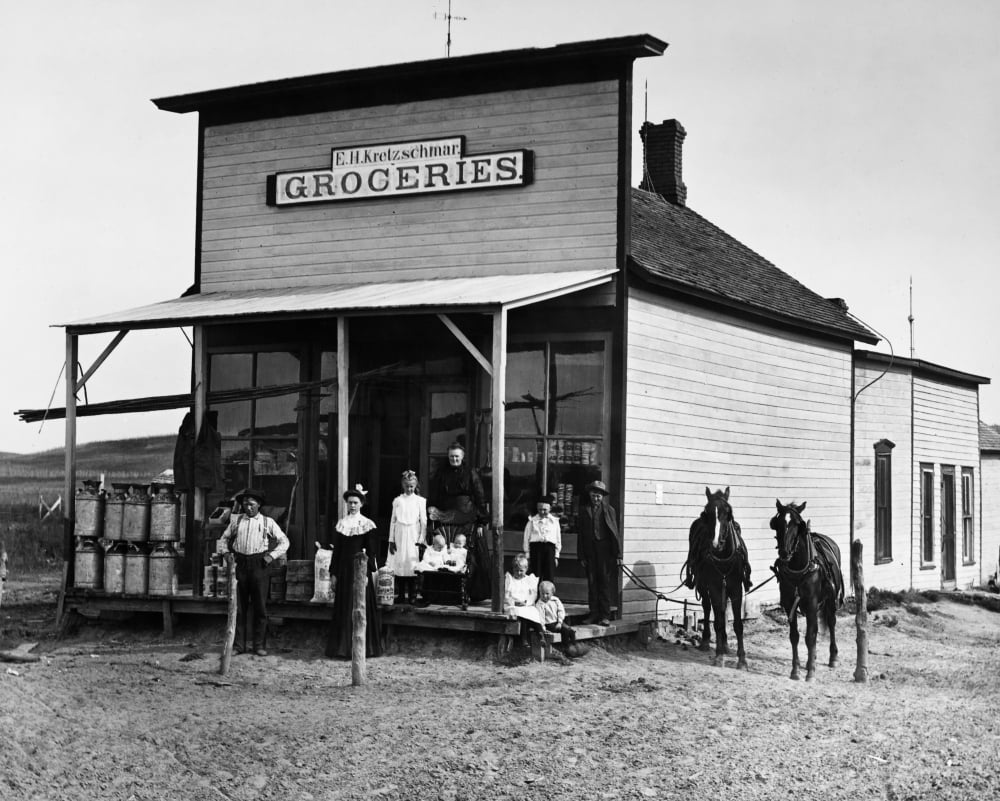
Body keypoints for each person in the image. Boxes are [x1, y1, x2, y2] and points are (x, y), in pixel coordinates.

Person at [217, 488, 289, 657]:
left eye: (251, 504)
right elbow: (223, 539)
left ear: (259, 505)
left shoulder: (267, 522)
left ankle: (259, 645)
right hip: (240, 564)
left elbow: (284, 542)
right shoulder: (236, 521)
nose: (247, 507)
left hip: (260, 565)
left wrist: (271, 556)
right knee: (238, 607)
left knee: (260, 608)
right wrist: (226, 553)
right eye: (244, 504)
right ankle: (239, 645)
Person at [427, 441, 491, 602]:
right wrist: (432, 510)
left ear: (462, 457)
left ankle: (471, 593)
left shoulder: (471, 473)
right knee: (443, 551)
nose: (454, 459)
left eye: (457, 457)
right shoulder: (441, 473)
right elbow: (434, 494)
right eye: (451, 457)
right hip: (446, 518)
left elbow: (480, 497)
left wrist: (481, 522)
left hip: (468, 518)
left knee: (470, 553)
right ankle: (444, 594)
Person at [325, 484, 384, 659]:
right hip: (344, 571)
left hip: (360, 570)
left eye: (355, 503)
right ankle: (343, 648)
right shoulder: (342, 524)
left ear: (361, 504)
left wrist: (367, 573)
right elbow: (337, 552)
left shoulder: (367, 524)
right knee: (345, 606)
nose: (352, 506)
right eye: (349, 503)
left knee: (360, 605)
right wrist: (334, 573)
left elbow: (371, 551)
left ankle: (364, 648)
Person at [576, 480, 621, 627]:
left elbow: (615, 533)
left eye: (599, 496)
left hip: (604, 552)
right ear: (590, 494)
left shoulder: (609, 510)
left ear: (602, 497)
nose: (596, 498)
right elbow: (581, 534)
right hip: (589, 551)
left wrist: (618, 555)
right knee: (592, 582)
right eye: (594, 495)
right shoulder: (584, 510)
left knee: (604, 583)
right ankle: (593, 613)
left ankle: (604, 615)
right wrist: (581, 555)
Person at [386, 469, 427, 604]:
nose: (409, 489)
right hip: (400, 533)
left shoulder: (420, 501)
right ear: (403, 486)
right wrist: (391, 540)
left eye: (412, 486)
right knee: (400, 563)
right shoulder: (398, 500)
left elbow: (423, 521)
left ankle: (412, 595)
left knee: (411, 563)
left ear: (415, 486)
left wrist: (421, 539)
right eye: (407, 486)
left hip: (413, 534)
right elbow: (393, 520)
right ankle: (401, 594)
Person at [523, 493, 561, 583]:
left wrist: (556, 556)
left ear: (550, 509)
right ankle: (536, 596)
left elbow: (558, 539)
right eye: (540, 509)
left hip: (549, 550)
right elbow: (526, 538)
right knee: (536, 576)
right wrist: (527, 555)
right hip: (536, 550)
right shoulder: (532, 521)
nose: (542, 512)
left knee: (549, 575)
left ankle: (548, 595)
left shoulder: (554, 522)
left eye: (545, 510)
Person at [504, 553, 541, 646]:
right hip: (514, 605)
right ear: (513, 569)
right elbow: (506, 596)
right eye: (516, 571)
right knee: (520, 612)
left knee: (533, 612)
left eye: (521, 571)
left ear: (526, 569)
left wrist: (527, 602)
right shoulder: (510, 580)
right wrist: (514, 602)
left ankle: (540, 634)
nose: (519, 573)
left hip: (526, 605)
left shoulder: (529, 580)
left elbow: (533, 595)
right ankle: (523, 639)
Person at [535, 580, 579, 656]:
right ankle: (566, 648)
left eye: (547, 594)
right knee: (565, 631)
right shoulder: (540, 604)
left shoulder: (555, 600)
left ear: (552, 593)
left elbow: (561, 610)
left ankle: (575, 646)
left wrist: (560, 621)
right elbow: (540, 617)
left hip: (558, 621)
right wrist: (543, 628)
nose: (545, 596)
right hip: (549, 624)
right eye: (542, 593)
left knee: (571, 631)